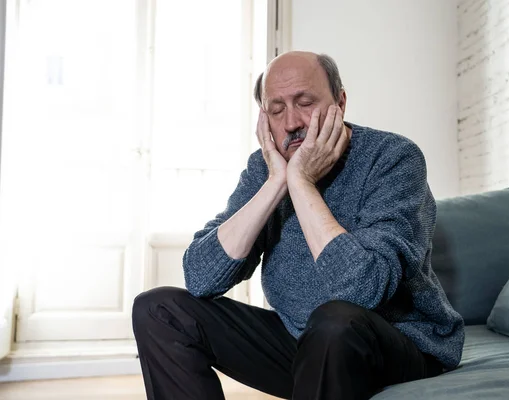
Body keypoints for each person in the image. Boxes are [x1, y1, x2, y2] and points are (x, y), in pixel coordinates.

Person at [132, 51, 465, 400]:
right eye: (276, 110)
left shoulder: (393, 158)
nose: (291, 122)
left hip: (396, 344)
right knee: (158, 310)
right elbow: (201, 278)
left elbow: (363, 290)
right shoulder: (265, 168)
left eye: (305, 103)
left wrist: (302, 183)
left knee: (336, 321)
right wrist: (277, 182)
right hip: (302, 342)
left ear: (340, 102)